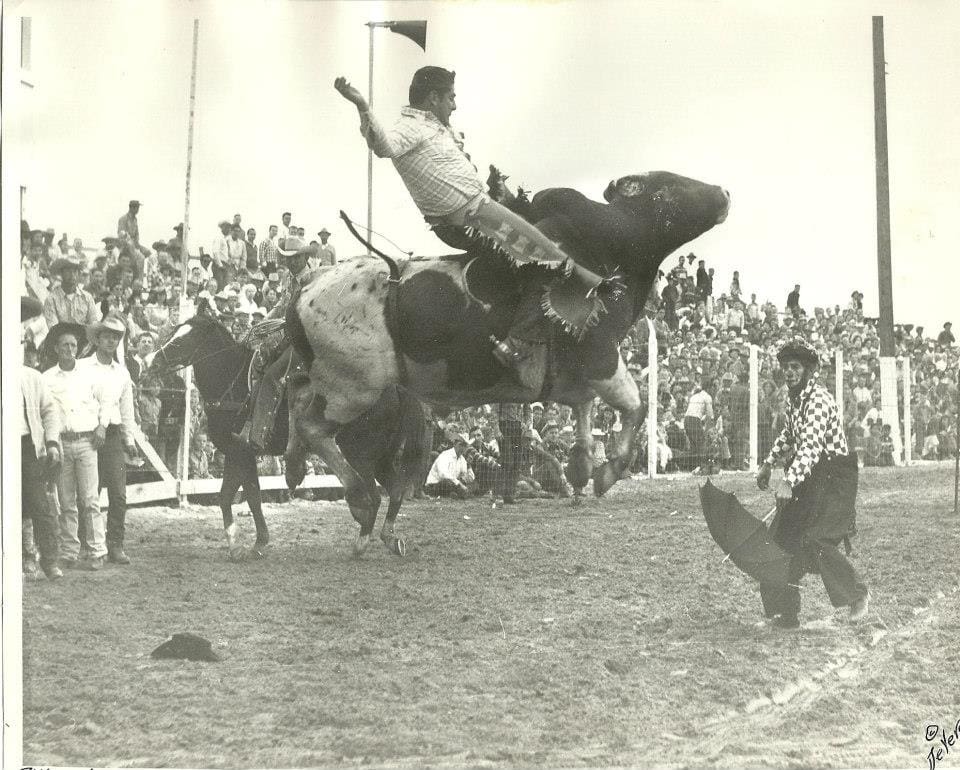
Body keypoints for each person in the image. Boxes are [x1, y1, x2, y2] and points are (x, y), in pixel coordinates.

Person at [335, 67, 611, 384]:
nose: (454, 105)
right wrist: (361, 105)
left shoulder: (435, 129)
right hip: (466, 223)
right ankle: (517, 343)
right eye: (451, 97)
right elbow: (383, 146)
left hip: (480, 213)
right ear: (433, 98)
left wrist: (497, 192)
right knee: (548, 263)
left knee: (553, 237)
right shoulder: (409, 128)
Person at [756, 337, 869, 629]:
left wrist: (788, 481)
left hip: (834, 479)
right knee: (780, 539)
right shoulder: (794, 399)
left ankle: (857, 595)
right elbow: (788, 435)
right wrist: (768, 463)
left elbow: (811, 448)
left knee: (817, 539)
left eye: (795, 367)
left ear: (808, 370)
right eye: (785, 367)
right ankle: (786, 612)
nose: (789, 372)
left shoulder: (818, 399)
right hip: (811, 474)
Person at [239, 236, 318, 451]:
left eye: (296, 258)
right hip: (291, 336)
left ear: (304, 257)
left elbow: (306, 314)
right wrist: (261, 325)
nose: (292, 262)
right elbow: (282, 306)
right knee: (259, 362)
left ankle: (259, 436)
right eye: (288, 259)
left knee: (274, 375)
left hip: (304, 341)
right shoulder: (291, 280)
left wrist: (282, 323)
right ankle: (252, 420)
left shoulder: (311, 280)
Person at [42, 322, 107, 570]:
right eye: (65, 345)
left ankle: (97, 551)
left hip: (86, 442)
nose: (70, 349)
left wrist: (102, 426)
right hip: (62, 443)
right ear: (57, 349)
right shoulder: (47, 378)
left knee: (90, 499)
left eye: (73, 345)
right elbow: (46, 413)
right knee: (67, 500)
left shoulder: (90, 374)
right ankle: (70, 551)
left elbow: (106, 402)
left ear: (78, 348)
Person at [87, 316, 139, 564]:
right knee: (90, 493)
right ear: (97, 338)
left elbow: (126, 409)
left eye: (116, 337)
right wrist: (97, 425)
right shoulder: (83, 368)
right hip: (89, 435)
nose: (111, 341)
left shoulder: (122, 373)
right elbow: (84, 403)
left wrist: (129, 438)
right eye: (107, 335)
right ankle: (89, 544)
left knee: (118, 494)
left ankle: (115, 544)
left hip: (114, 436)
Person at [21, 297, 64, 581]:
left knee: (39, 505)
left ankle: (49, 561)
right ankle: (21, 560)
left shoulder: (30, 377)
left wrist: (51, 442)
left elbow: (50, 411)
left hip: (26, 447)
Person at [43, 258, 100, 330]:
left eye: (75, 271)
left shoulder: (87, 297)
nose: (72, 274)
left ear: (78, 274)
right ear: (61, 273)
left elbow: (93, 324)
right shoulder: (51, 299)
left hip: (84, 338)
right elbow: (53, 329)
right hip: (61, 338)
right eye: (68, 271)